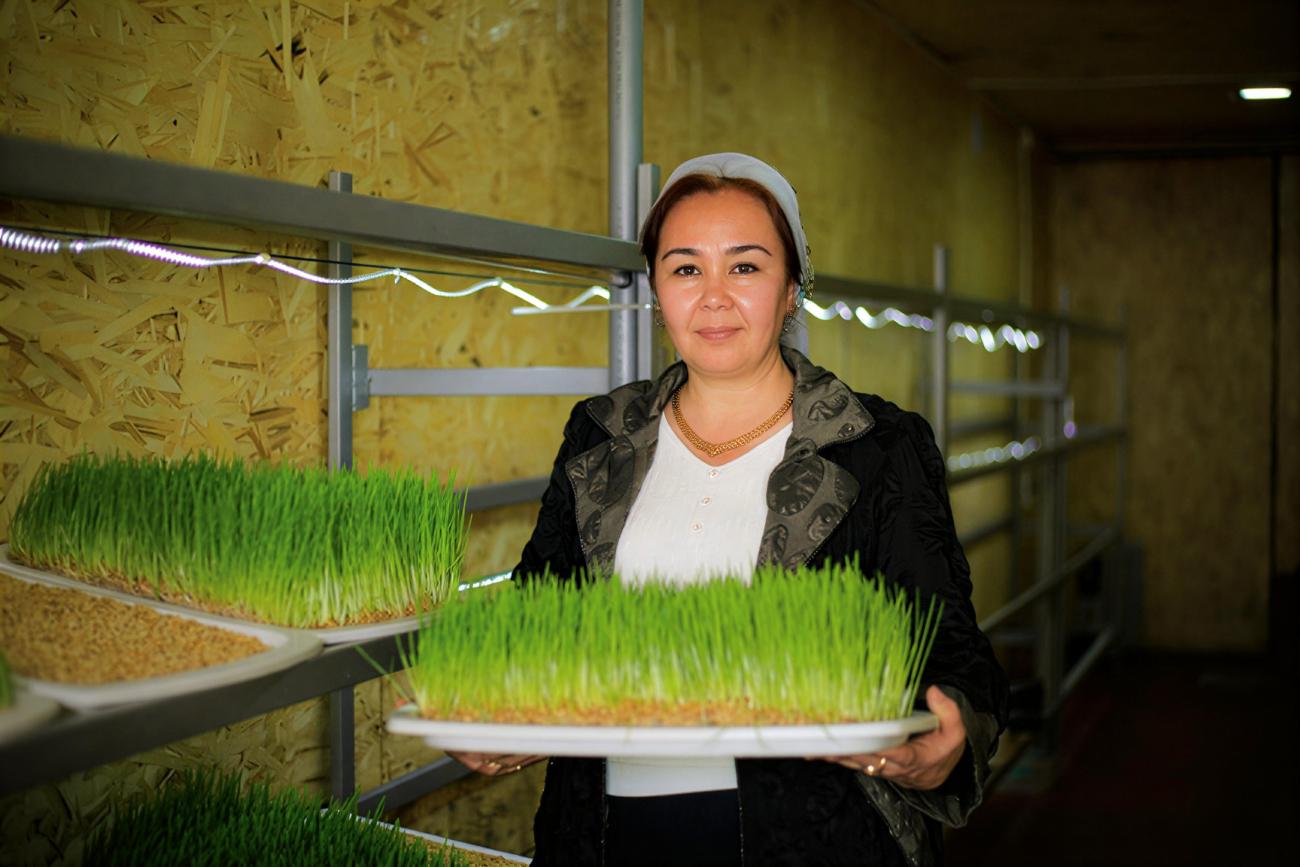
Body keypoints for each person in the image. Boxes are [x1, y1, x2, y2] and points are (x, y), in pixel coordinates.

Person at [451, 153, 1009, 866]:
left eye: (744, 267)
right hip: (607, 831)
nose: (714, 296)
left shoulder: (877, 446)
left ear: (791, 290)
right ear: (657, 288)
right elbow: (539, 616)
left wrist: (950, 731)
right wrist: (499, 713)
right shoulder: (601, 434)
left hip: (818, 838)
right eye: (686, 268)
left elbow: (955, 645)